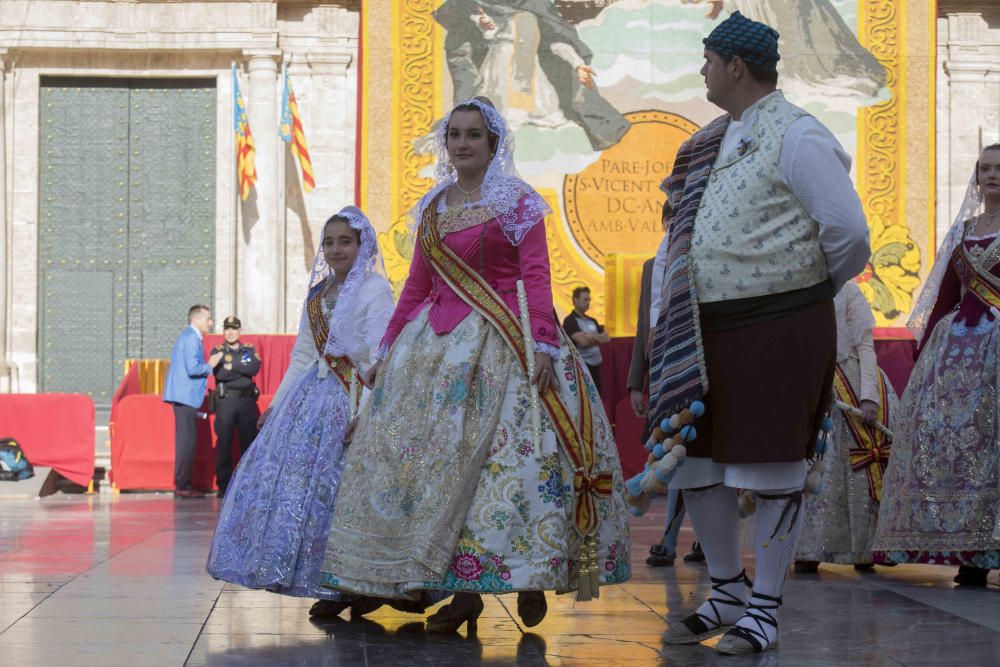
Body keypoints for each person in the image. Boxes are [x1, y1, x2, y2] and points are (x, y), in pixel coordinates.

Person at [320, 97, 630, 633]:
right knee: (430, 469)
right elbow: (417, 284)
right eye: (455, 135)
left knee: (509, 466)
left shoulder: (518, 202)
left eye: (473, 136)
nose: (462, 144)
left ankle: (531, 573)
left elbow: (535, 276)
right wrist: (389, 351)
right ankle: (455, 590)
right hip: (432, 351)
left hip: (504, 345)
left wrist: (544, 349)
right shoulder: (435, 207)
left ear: (493, 144)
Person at [649, 12, 870, 654]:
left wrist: (804, 289)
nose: (703, 71)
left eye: (708, 61)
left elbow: (848, 234)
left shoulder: (798, 134)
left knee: (772, 464)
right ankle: (728, 590)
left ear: (735, 67)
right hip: (704, 329)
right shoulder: (712, 140)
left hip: (778, 324)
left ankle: (766, 609)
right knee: (697, 460)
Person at [206, 207, 397, 618]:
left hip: (354, 399)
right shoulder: (317, 295)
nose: (335, 249)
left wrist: (366, 412)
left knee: (345, 494)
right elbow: (303, 355)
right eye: (329, 242)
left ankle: (356, 583)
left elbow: (381, 353)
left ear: (362, 245)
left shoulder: (374, 290)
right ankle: (324, 584)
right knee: (301, 493)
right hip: (309, 399)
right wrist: (276, 405)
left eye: (345, 241)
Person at [874, 144, 1000, 588]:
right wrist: (924, 351)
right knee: (958, 448)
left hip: (996, 353)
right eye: (985, 168)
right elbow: (946, 294)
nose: (991, 176)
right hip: (955, 353)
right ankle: (968, 551)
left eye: (999, 169)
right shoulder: (963, 232)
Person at [795, 280, 898, 572]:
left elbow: (865, 345)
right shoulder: (799, 286)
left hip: (849, 383)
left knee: (852, 471)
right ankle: (807, 548)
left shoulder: (849, 291)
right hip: (809, 385)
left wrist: (869, 396)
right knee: (812, 464)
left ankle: (863, 548)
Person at [627, 201, 703, 567]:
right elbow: (645, 326)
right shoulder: (651, 268)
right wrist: (635, 383)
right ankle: (672, 539)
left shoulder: (701, 258)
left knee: (701, 455)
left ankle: (692, 539)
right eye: (671, 218)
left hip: (700, 371)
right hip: (663, 376)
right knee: (672, 454)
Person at [163, 305, 223, 498]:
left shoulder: (192, 337)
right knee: (186, 443)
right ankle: (182, 485)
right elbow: (193, 368)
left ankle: (184, 484)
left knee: (188, 442)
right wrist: (211, 365)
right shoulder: (191, 338)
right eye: (208, 319)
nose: (211, 323)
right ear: (196, 320)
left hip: (185, 397)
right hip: (184, 396)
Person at [209, 316, 261, 499]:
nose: (230, 332)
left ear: (240, 331)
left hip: (246, 401)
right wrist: (240, 368)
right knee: (224, 443)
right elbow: (220, 372)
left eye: (234, 328)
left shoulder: (247, 350)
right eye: (227, 329)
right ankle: (223, 486)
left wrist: (231, 366)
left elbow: (253, 368)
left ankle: (249, 483)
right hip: (226, 401)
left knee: (249, 442)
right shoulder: (218, 351)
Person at [562, 286, 610, 396]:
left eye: (589, 300)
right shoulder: (569, 321)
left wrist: (589, 336)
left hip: (596, 367)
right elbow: (582, 342)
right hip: (581, 368)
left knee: (598, 397)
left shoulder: (593, 320)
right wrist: (597, 337)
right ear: (575, 300)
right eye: (585, 299)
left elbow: (606, 338)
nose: (588, 302)